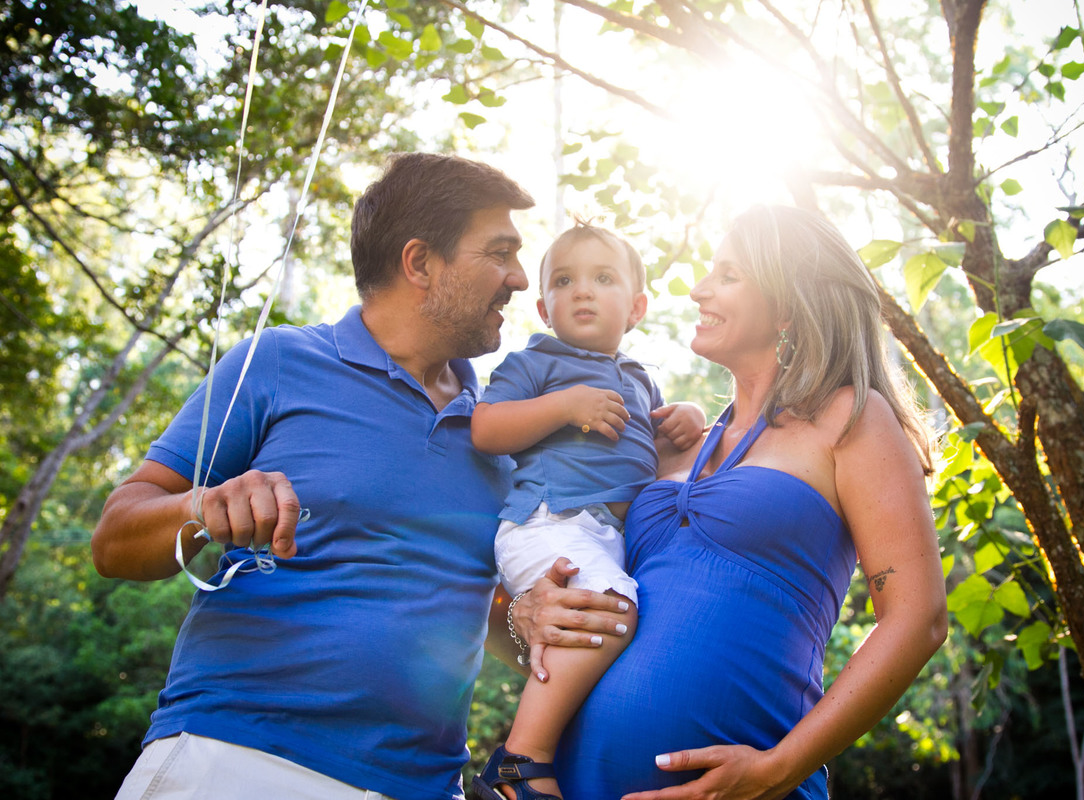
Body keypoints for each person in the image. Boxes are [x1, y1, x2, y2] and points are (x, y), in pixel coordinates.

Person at [90, 153, 631, 800]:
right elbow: (114, 540)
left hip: (423, 785)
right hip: (233, 758)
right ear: (420, 263)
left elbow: (468, 603)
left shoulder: (506, 425)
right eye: (499, 252)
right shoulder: (280, 362)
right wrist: (203, 507)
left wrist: (527, 618)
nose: (520, 278)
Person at [552, 205, 949, 799]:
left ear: (789, 302)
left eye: (728, 275)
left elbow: (919, 619)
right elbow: (581, 599)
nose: (697, 290)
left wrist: (779, 768)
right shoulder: (666, 450)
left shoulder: (848, 418)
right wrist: (519, 612)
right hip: (575, 781)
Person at [468, 222, 705, 800]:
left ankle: (562, 746)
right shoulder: (536, 362)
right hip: (547, 522)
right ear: (544, 307)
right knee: (611, 612)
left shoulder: (640, 380)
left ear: (638, 306)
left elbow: (660, 453)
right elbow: (486, 428)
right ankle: (522, 760)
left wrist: (691, 418)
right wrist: (564, 405)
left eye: (603, 278)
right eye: (565, 281)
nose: (582, 291)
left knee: (604, 626)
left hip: (602, 535)